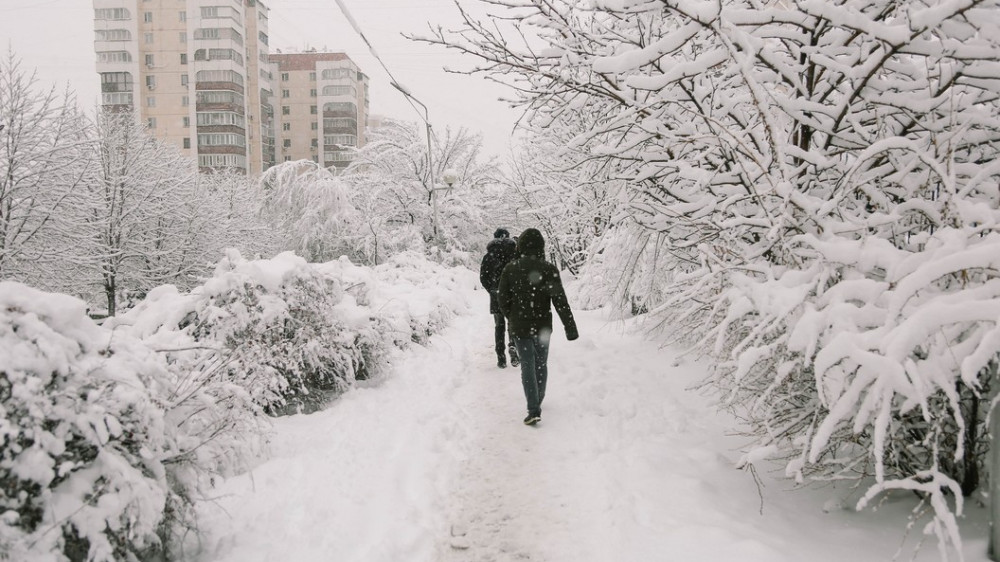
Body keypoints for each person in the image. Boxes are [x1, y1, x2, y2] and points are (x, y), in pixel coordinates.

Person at [498, 228, 578, 425]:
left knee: (527, 364)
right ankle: (538, 399)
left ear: (521, 246)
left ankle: (533, 408)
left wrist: (512, 315)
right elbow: (560, 300)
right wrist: (570, 327)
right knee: (541, 363)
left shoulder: (511, 268)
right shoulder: (548, 269)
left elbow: (502, 298)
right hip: (542, 326)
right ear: (541, 246)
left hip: (520, 326)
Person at [479, 228, 519, 368]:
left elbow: (483, 277)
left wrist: (492, 290)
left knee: (499, 326)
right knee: (513, 323)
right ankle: (513, 346)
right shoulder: (515, 253)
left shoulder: (489, 256)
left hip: (496, 294)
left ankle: (501, 358)